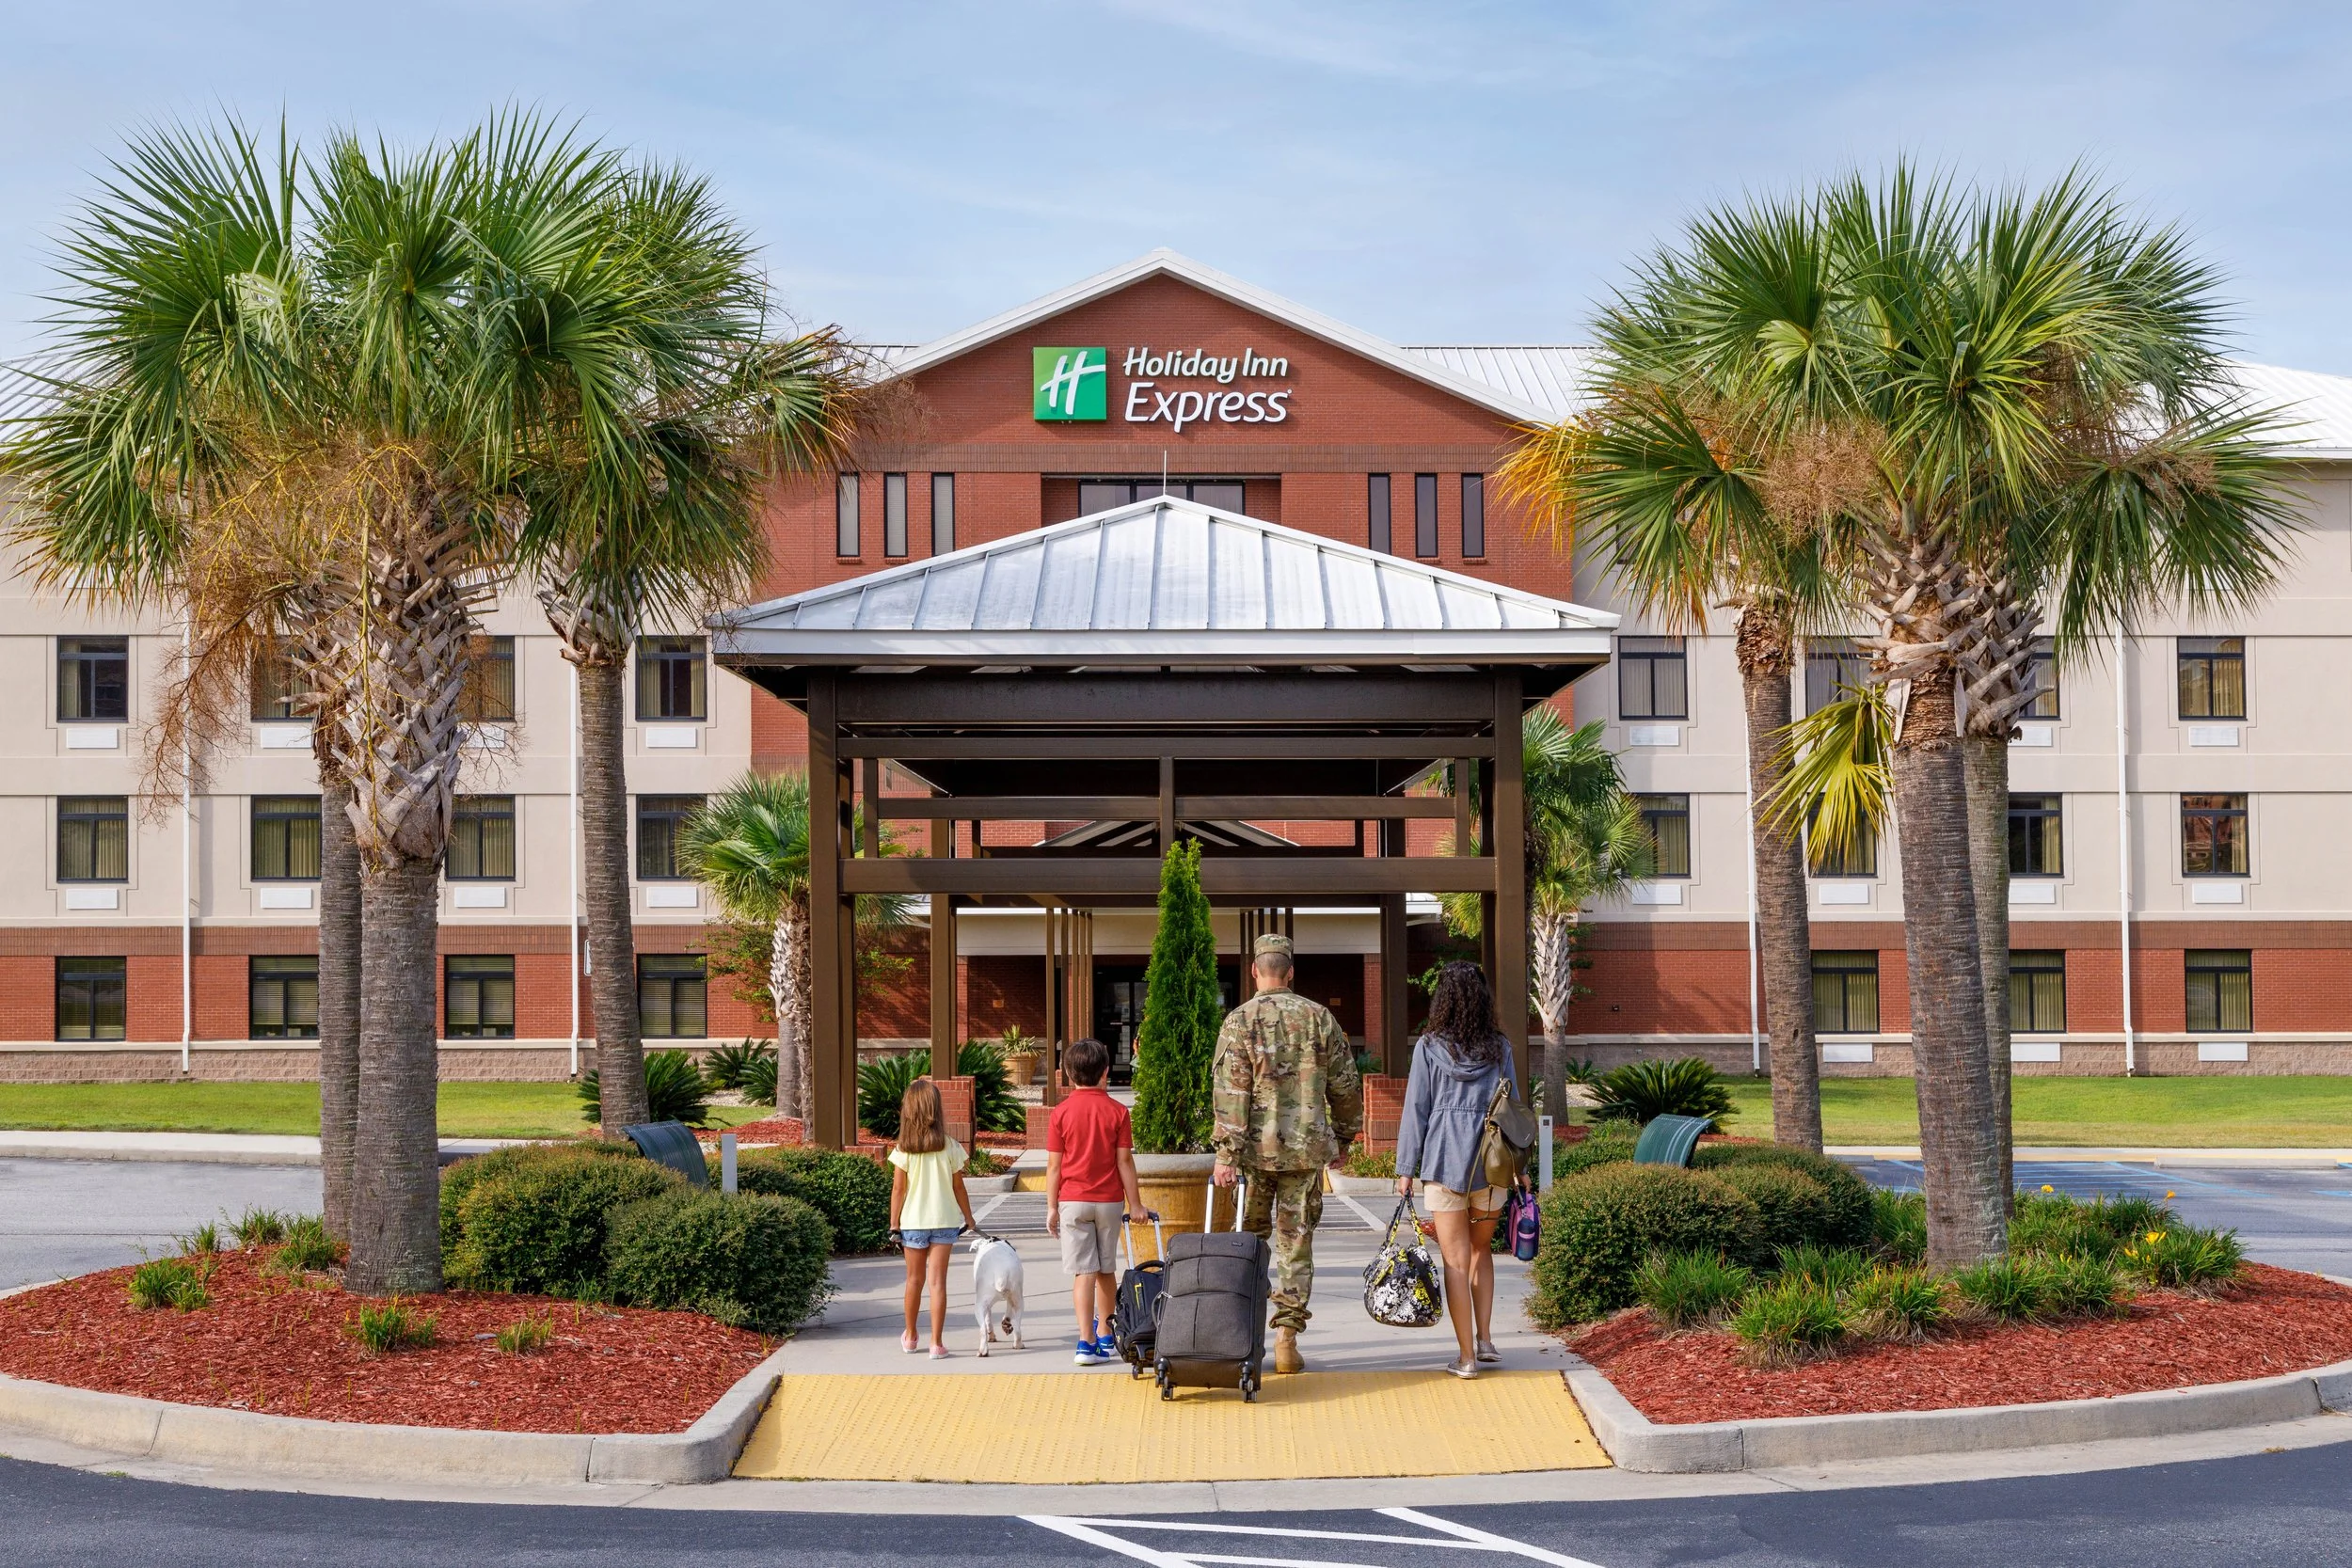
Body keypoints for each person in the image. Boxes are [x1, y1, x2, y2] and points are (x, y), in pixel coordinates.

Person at [1212, 931, 1363, 1374]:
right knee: (1295, 1245)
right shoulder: (1320, 1018)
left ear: (1255, 971)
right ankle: (1286, 1341)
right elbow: (1346, 1085)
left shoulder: (1239, 1021)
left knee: (1249, 1242)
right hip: (1306, 1152)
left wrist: (1226, 1154)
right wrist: (1346, 1136)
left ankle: (1245, 1334)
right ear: (1291, 972)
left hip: (1255, 1156)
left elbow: (1231, 1091)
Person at [1393, 960, 1517, 1379]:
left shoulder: (1428, 1047)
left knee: (1456, 1261)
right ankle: (1485, 1340)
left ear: (1442, 1000)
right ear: (1483, 999)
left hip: (1444, 1161)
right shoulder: (1500, 1047)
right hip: (1491, 1162)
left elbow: (1417, 1111)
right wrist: (1522, 1169)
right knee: (1482, 1251)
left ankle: (1465, 1359)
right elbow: (1514, 1110)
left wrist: (1405, 1168)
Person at [1045, 1035, 1156, 1365]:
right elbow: (1124, 1161)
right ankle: (1108, 1337)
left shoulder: (1060, 1113)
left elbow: (1054, 1167)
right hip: (1109, 1201)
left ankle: (1085, 1342)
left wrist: (1052, 1207)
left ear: (1067, 1074)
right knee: (1107, 1270)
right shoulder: (1118, 1112)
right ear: (1105, 1072)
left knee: (1084, 1273)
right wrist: (1135, 1205)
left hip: (1073, 1200)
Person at [887, 1076, 977, 1359]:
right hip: (945, 1221)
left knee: (914, 1280)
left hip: (913, 1222)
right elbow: (958, 1186)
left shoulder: (904, 1149)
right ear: (936, 1110)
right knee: (938, 1282)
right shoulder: (949, 1146)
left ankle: (911, 1335)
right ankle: (936, 1343)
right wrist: (970, 1218)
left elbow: (898, 1190)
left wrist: (894, 1224)